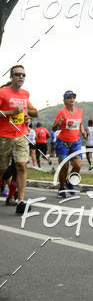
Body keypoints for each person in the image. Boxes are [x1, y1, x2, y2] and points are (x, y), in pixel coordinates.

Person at [0, 65, 38, 214]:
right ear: (11, 77)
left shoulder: (25, 94)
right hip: (4, 136)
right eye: (17, 74)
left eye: (23, 75)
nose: (21, 77)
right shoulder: (2, 93)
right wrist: (11, 112)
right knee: (2, 170)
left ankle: (21, 201)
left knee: (21, 165)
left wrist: (26, 116)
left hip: (21, 135)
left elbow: (32, 111)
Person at [52, 90, 86, 197]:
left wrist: (83, 131)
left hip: (76, 142)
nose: (72, 99)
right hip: (62, 143)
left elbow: (80, 124)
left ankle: (69, 182)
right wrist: (57, 123)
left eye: (73, 97)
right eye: (69, 97)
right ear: (65, 100)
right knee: (65, 166)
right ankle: (62, 188)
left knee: (78, 165)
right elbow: (53, 128)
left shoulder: (80, 111)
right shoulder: (61, 112)